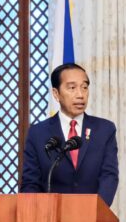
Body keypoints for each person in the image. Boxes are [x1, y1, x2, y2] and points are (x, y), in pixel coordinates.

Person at [21, 63, 119, 206]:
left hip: (92, 221)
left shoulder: (104, 130)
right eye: (72, 88)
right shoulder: (38, 133)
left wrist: (96, 212)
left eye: (84, 87)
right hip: (49, 221)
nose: (80, 94)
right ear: (56, 94)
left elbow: (109, 177)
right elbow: (30, 183)